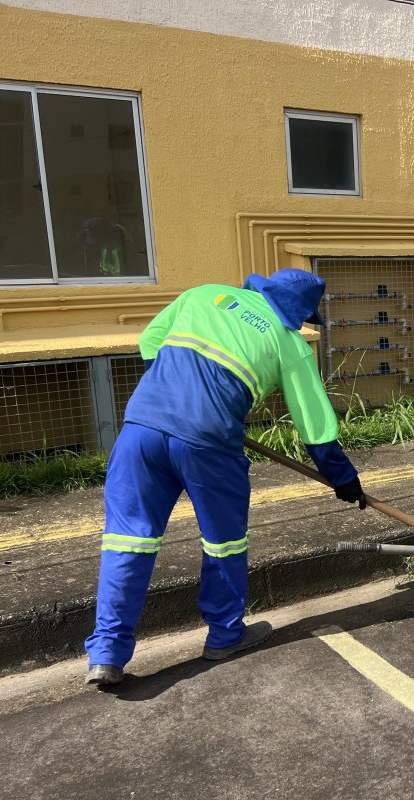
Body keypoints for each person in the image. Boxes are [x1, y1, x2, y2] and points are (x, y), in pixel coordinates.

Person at [84, 269, 367, 686]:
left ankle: (106, 653)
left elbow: (149, 341)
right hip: (208, 442)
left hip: (141, 429)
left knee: (128, 540)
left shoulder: (203, 295)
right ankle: (225, 635)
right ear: (300, 312)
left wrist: (178, 389)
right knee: (224, 542)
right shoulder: (289, 343)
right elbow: (315, 427)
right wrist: (344, 479)